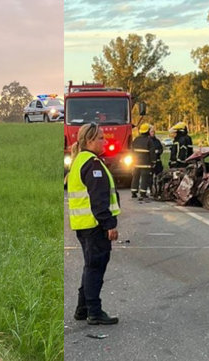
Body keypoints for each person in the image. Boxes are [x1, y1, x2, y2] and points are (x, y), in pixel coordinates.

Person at [68, 122, 121, 325]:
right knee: (95, 268)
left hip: (83, 225)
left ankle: (83, 309)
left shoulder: (80, 161)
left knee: (90, 266)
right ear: (90, 140)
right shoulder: (93, 164)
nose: (104, 141)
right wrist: (109, 224)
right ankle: (94, 311)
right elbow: (98, 200)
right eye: (100, 138)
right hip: (94, 226)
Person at [131, 123, 156, 201]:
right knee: (144, 178)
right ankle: (143, 193)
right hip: (145, 164)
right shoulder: (149, 141)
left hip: (136, 163)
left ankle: (134, 192)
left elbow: (132, 151)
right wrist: (153, 162)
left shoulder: (136, 139)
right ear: (147, 131)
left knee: (135, 177)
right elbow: (152, 152)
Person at [149, 125, 164, 198]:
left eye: (153, 132)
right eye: (151, 132)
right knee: (150, 177)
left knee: (160, 176)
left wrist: (159, 151)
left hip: (158, 161)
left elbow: (161, 149)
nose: (153, 133)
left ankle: (160, 190)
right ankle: (151, 190)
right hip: (150, 162)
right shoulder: (148, 141)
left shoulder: (157, 141)